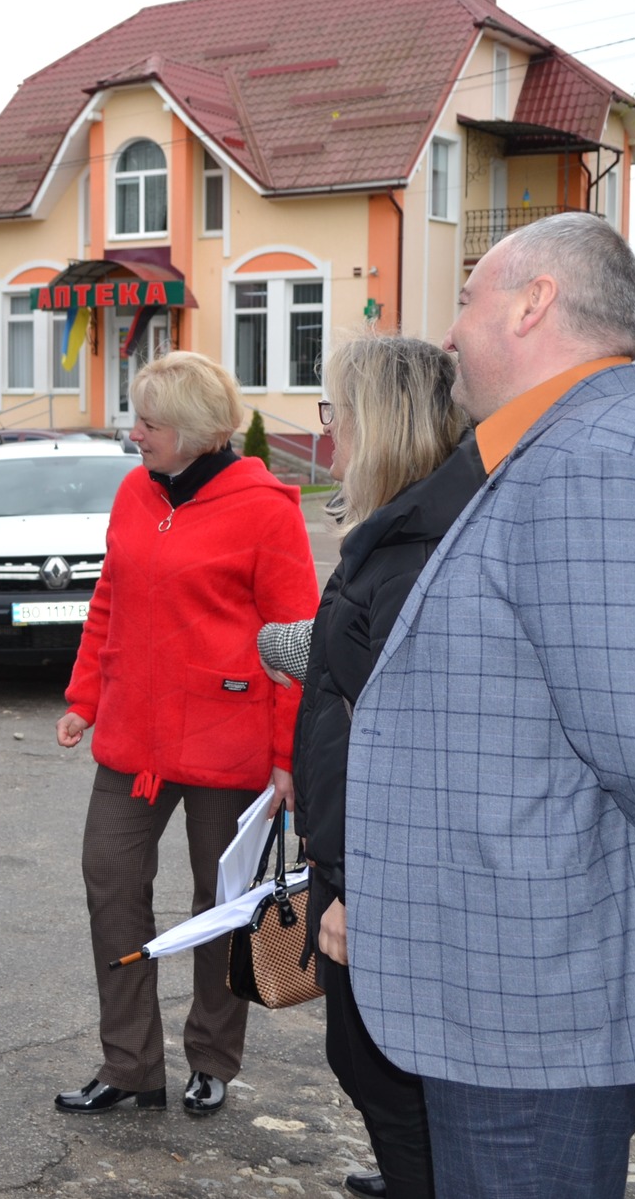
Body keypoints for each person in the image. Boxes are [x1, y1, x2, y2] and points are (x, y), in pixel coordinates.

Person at [346, 213, 635, 1198]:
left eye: (465, 300)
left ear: (532, 301)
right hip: (513, 980)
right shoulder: (562, 448)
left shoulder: (592, 459)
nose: (450, 332)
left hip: (530, 997)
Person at [53, 350, 318, 1117]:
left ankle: (212, 1056)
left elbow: (295, 640)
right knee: (110, 880)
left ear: (200, 433)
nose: (134, 434)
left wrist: (285, 757)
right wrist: (84, 697)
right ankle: (131, 1064)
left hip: (228, 742)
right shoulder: (136, 491)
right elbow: (111, 597)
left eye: (149, 423)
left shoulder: (266, 507)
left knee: (220, 901)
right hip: (134, 740)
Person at [257, 335, 481, 1199]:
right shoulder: (396, 534)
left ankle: (420, 1179)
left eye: (336, 413)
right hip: (355, 858)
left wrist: (356, 889)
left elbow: (415, 745)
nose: (329, 432)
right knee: (364, 1058)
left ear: (380, 426)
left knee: (380, 1064)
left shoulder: (419, 551)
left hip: (381, 873)